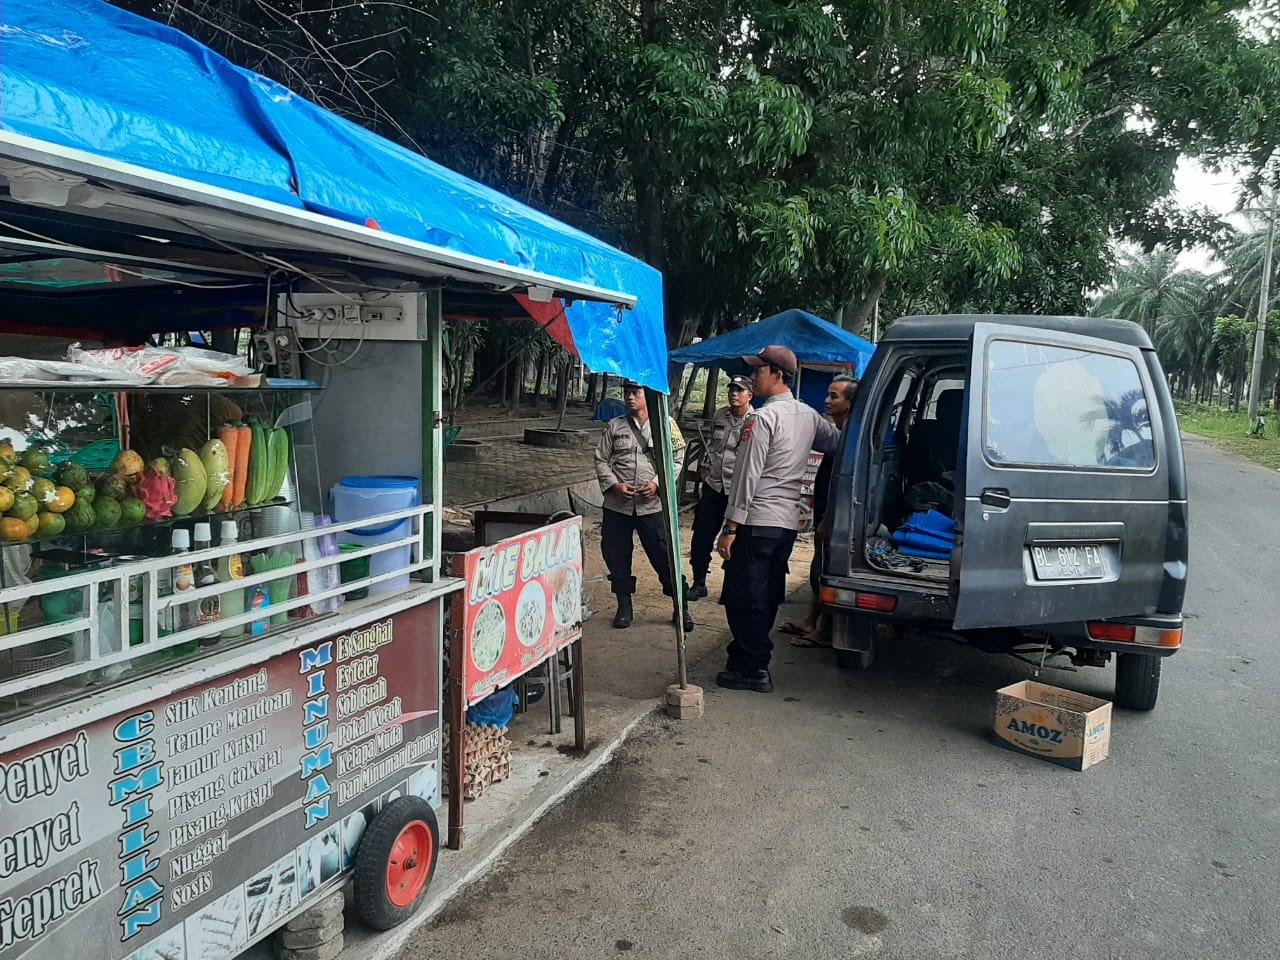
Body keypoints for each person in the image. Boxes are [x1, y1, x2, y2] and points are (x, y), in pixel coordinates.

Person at [715, 346, 840, 693]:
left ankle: (754, 667)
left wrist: (730, 527)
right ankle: (746, 656)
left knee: (743, 596)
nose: (753, 377)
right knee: (767, 592)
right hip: (785, 523)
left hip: (756, 520)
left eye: (759, 370)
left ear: (777, 375)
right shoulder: (809, 416)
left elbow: (746, 476)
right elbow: (838, 443)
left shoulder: (762, 418)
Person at [594, 380, 695, 632]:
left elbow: (677, 459)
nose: (630, 397)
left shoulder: (666, 424)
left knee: (664, 556)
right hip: (618, 506)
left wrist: (658, 483)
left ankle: (680, 606)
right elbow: (601, 460)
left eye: (636, 392)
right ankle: (624, 606)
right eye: (627, 392)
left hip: (652, 506)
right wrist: (614, 484)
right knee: (617, 556)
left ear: (647, 394)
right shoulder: (615, 426)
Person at [781, 374, 858, 647]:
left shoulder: (851, 439)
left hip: (833, 516)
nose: (827, 400)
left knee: (826, 569)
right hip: (825, 511)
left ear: (849, 403)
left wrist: (828, 519)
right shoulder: (839, 432)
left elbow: (844, 485)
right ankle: (811, 619)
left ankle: (825, 631)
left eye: (834, 396)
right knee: (820, 562)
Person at [687, 374, 753, 601]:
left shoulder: (755, 420)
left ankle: (734, 587)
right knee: (701, 536)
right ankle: (699, 582)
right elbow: (712, 447)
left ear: (750, 395)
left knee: (738, 540)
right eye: (731, 389)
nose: (734, 393)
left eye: (739, 390)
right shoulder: (720, 416)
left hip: (738, 490)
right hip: (713, 486)